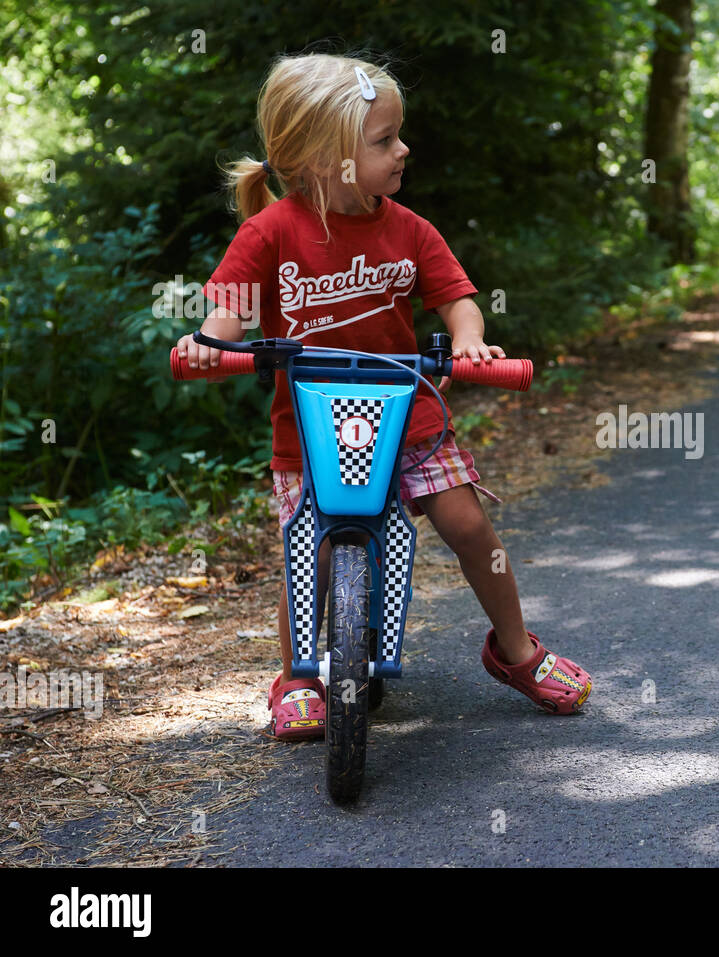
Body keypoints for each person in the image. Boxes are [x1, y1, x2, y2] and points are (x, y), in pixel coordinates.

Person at [173, 52, 592, 739]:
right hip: (310, 429)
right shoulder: (270, 233)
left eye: (397, 135)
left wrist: (467, 342)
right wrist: (208, 347)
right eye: (384, 140)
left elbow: (458, 300)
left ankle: (516, 649)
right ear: (325, 157)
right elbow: (226, 322)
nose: (403, 149)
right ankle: (299, 676)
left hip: (409, 411)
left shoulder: (408, 229)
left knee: (464, 522)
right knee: (304, 546)